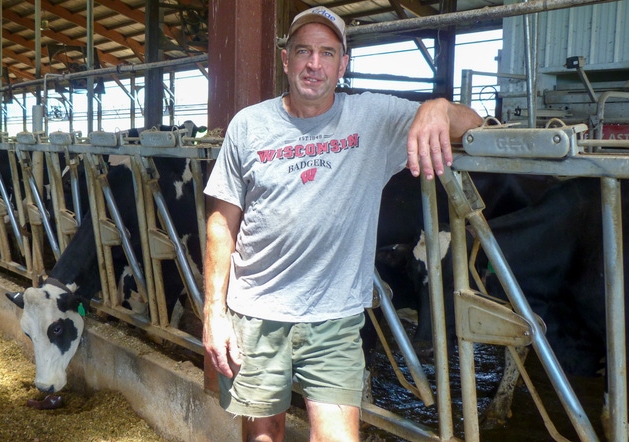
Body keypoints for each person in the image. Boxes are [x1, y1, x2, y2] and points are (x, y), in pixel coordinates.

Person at [202, 5, 483, 442]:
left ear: (343, 64)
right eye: (303, 51)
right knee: (262, 436)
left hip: (333, 319)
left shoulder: (372, 118)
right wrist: (213, 313)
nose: (314, 64)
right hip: (256, 313)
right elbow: (221, 222)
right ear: (285, 60)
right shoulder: (248, 126)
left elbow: (475, 125)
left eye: (327, 53)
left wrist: (438, 108)